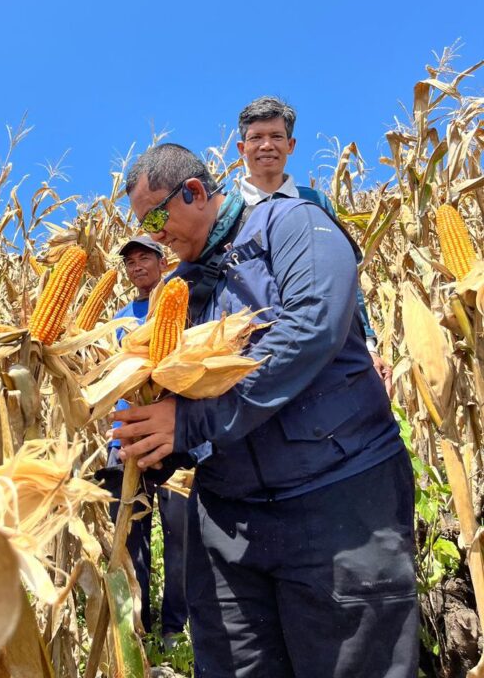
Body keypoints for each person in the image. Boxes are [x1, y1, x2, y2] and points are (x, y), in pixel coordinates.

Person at [113, 143, 417, 678]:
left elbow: (311, 329)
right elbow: (179, 398)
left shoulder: (293, 225)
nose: (154, 237)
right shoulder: (179, 290)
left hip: (338, 502)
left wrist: (190, 423)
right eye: (143, 226)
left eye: (156, 218)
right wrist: (156, 448)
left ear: (195, 191)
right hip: (229, 525)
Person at [237, 96, 392, 394]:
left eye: (276, 137)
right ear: (242, 148)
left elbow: (345, 277)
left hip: (327, 349)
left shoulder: (316, 202)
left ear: (291, 145)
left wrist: (369, 344)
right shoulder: (228, 212)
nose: (267, 145)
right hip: (256, 356)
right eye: (256, 138)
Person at [105, 237, 189, 643]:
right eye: (130, 262)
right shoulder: (121, 318)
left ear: (161, 262)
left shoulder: (182, 304)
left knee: (179, 536)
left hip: (174, 438)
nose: (137, 266)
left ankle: (174, 627)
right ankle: (139, 627)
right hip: (127, 439)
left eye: (145, 258)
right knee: (130, 536)